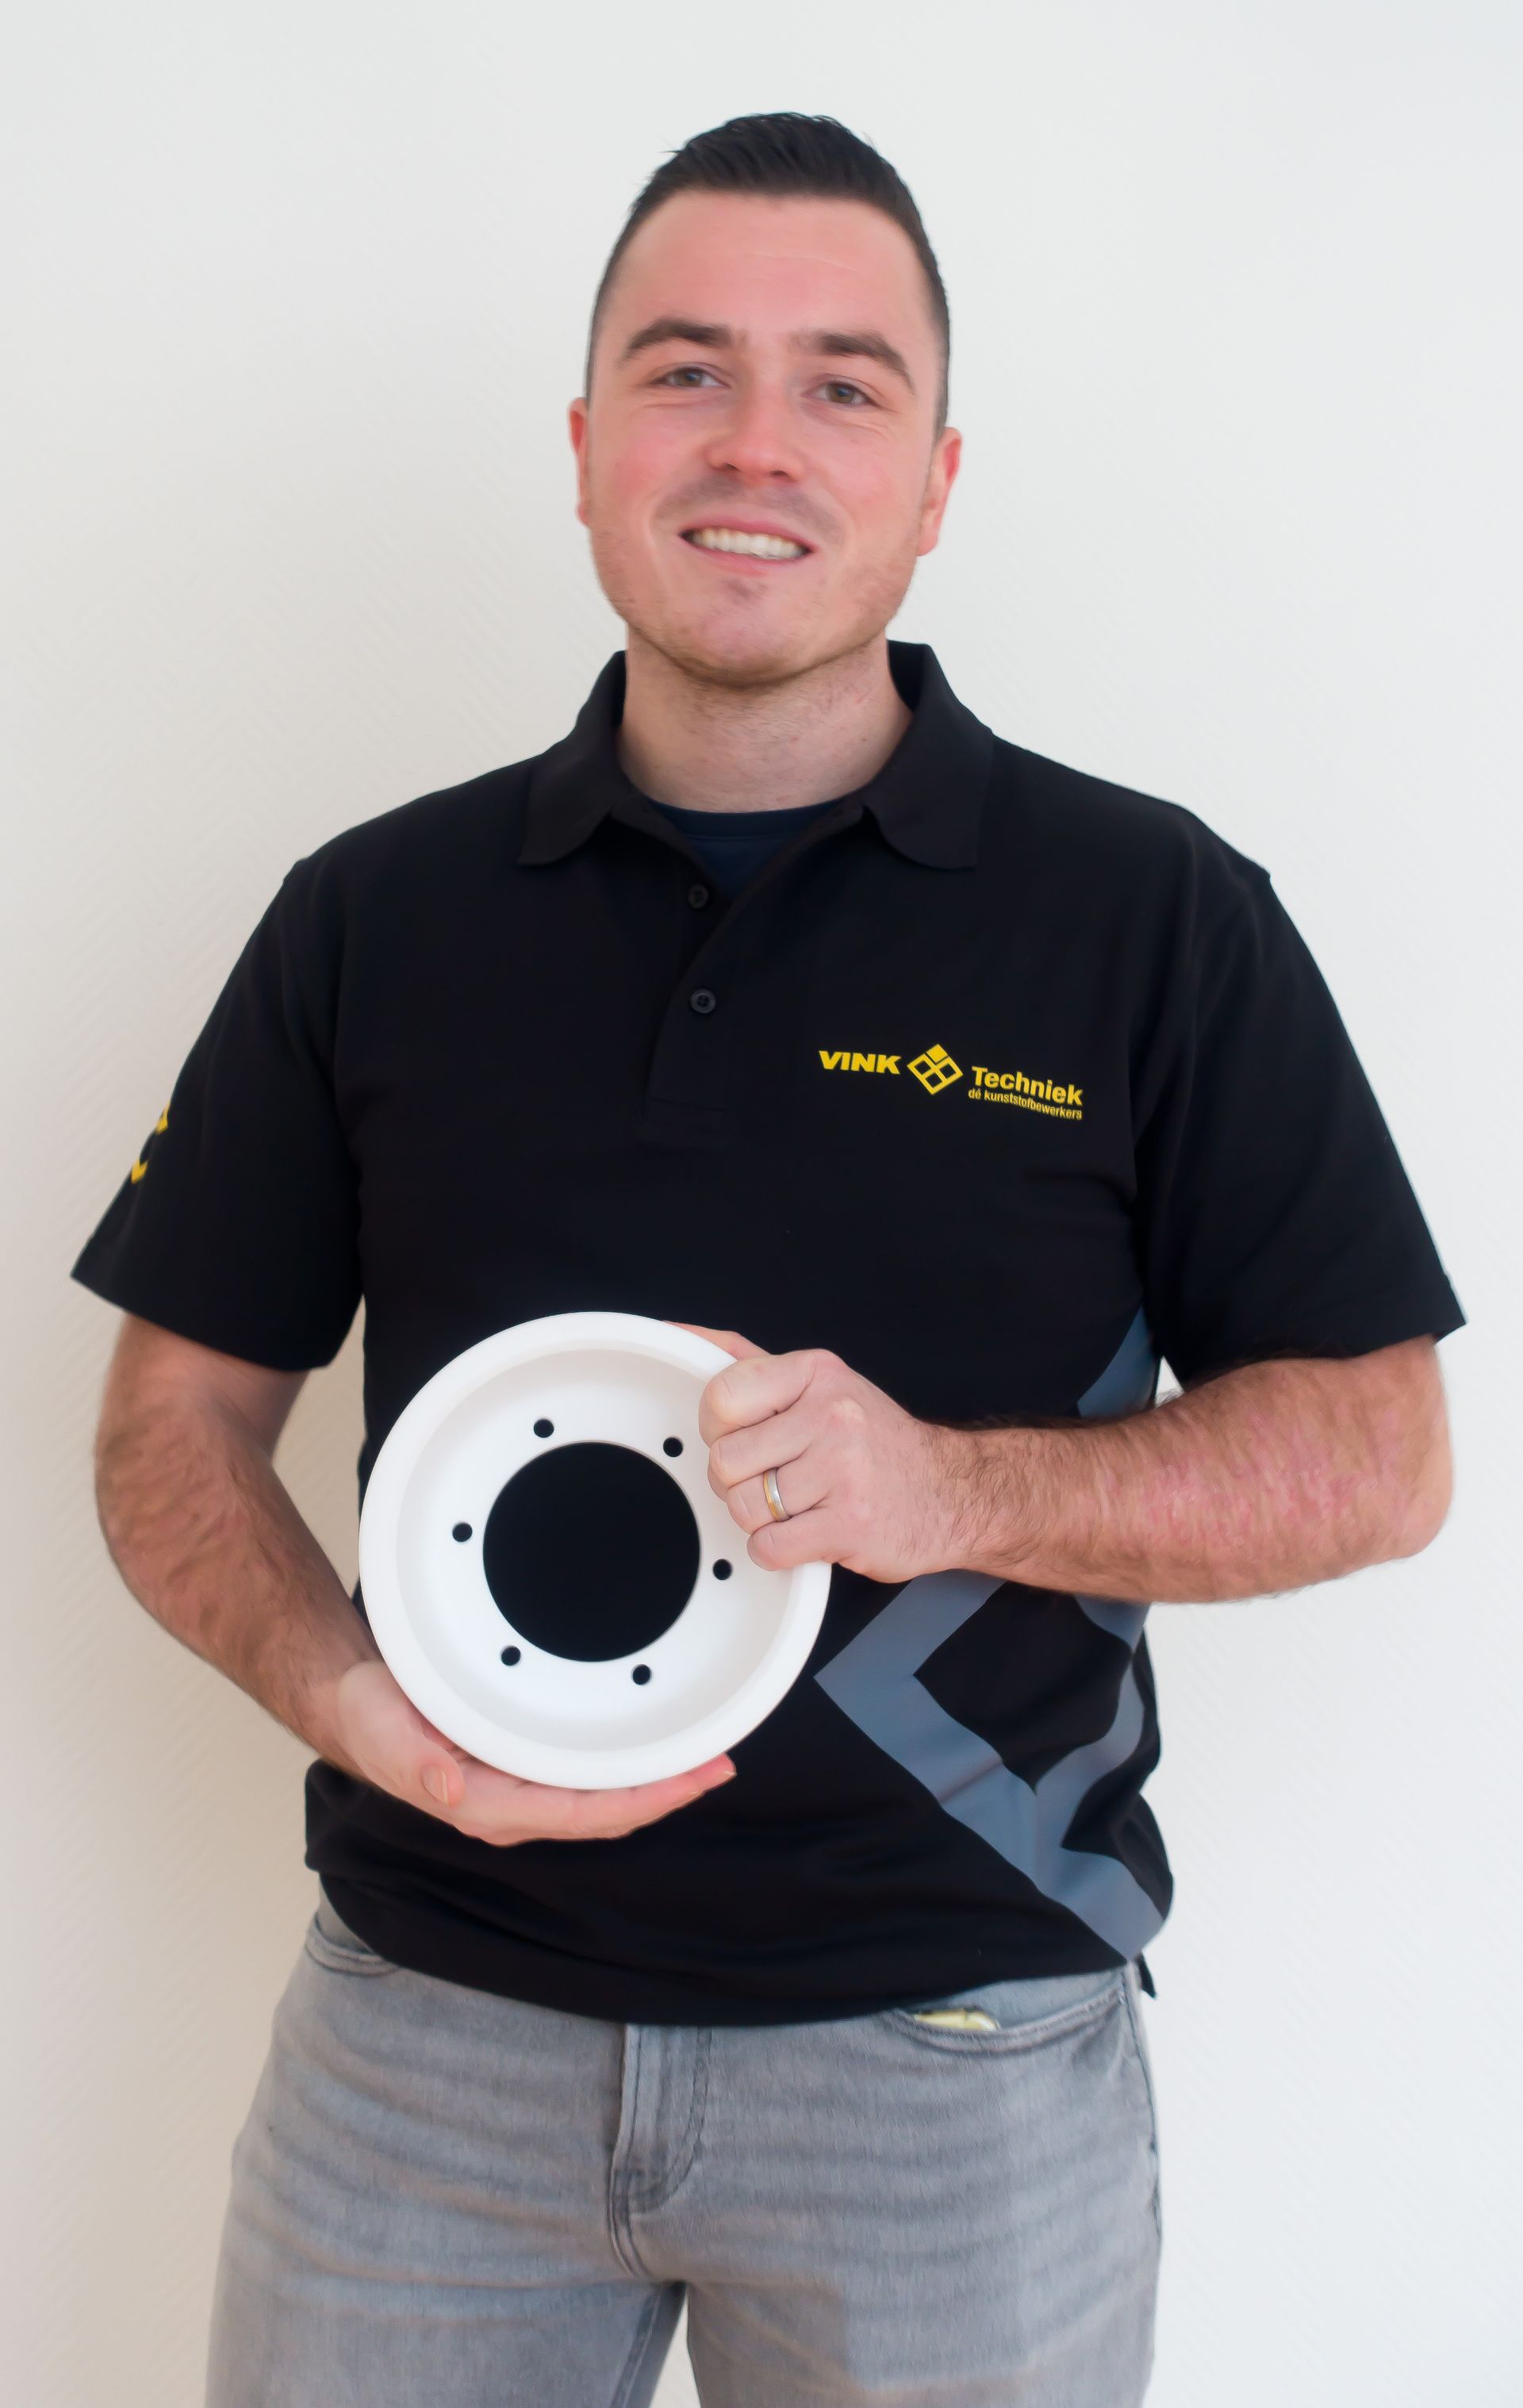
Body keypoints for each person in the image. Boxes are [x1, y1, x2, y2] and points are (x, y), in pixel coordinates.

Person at [70, 112, 1464, 2408]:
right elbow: (173, 1424)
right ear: (585, 445)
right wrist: (342, 1700)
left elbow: (1381, 1455)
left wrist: (952, 1489)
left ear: (935, 479)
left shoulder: (1153, 920)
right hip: (426, 2038)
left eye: (843, 383)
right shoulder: (372, 918)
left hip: (951, 2061)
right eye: (687, 368)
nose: (756, 442)